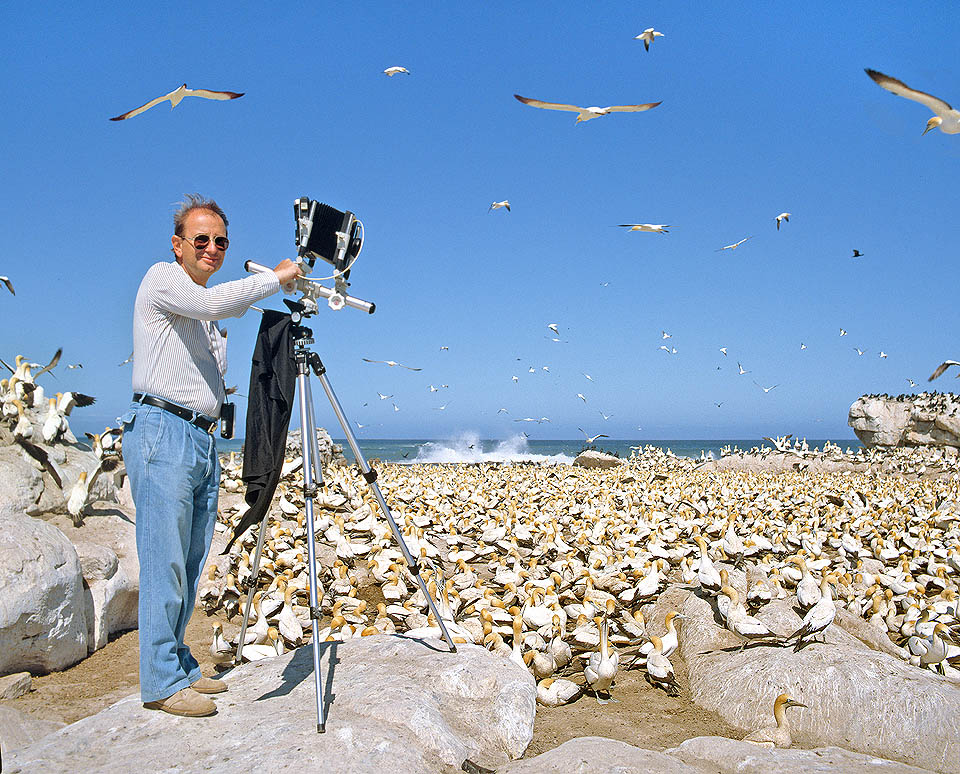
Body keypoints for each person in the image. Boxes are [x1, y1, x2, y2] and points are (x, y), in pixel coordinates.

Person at [121, 194, 301, 717]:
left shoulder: (203, 313)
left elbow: (225, 305)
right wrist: (278, 275)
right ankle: (158, 682)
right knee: (164, 560)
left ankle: (178, 665)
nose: (212, 248)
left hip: (199, 438)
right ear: (178, 246)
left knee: (192, 560)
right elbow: (216, 301)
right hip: (162, 429)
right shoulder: (164, 280)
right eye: (201, 240)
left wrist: (276, 289)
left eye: (221, 241)